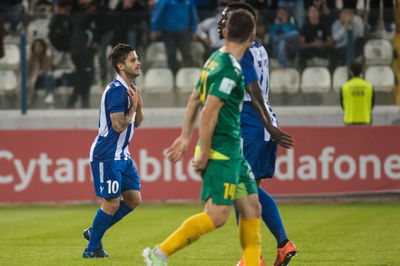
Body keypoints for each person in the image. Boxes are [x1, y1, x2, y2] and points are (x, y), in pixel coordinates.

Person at [167, 3, 297, 266]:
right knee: (251, 191)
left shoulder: (240, 53)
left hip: (252, 126)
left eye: (225, 18)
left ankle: (254, 257)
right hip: (260, 125)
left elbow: (253, 90)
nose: (220, 22)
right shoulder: (258, 47)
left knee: (242, 193)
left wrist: (268, 127)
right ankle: (280, 245)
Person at [143, 9, 262, 266]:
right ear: (252, 36)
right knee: (217, 216)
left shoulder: (214, 59)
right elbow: (209, 110)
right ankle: (157, 254)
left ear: (227, 32)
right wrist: (204, 149)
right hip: (220, 151)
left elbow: (195, 97)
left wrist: (185, 137)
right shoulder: (231, 69)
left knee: (252, 208)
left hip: (232, 152)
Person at [82, 43, 144, 258]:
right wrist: (133, 107)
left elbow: (137, 123)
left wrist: (139, 105)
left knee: (134, 199)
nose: (138, 63)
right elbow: (118, 125)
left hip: (123, 155)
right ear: (120, 66)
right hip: (107, 154)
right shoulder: (116, 91)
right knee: (111, 202)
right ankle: (92, 250)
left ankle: (94, 233)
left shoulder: (132, 90)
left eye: (137, 59)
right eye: (133, 60)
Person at [150, 0, 198, 74]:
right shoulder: (164, 1)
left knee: (187, 54)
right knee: (171, 55)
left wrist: (193, 30)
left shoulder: (189, 1)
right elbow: (157, 14)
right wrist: (154, 29)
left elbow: (193, 15)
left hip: (184, 32)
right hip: (168, 32)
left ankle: (187, 75)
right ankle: (173, 75)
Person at [299, 5, 334, 70]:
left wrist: (323, 44)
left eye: (315, 11)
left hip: (322, 50)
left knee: (331, 51)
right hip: (310, 51)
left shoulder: (324, 26)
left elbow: (331, 42)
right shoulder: (305, 27)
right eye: (311, 11)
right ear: (308, 14)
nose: (314, 13)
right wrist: (313, 44)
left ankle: (330, 73)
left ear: (318, 13)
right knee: (303, 53)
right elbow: (301, 45)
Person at [27, 39, 55, 106]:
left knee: (49, 74)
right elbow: (27, 72)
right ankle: (27, 99)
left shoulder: (47, 57)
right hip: (32, 81)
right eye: (36, 46)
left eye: (40, 46)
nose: (38, 48)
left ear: (43, 47)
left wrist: (41, 72)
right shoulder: (31, 57)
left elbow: (48, 69)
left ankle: (49, 94)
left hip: (43, 79)